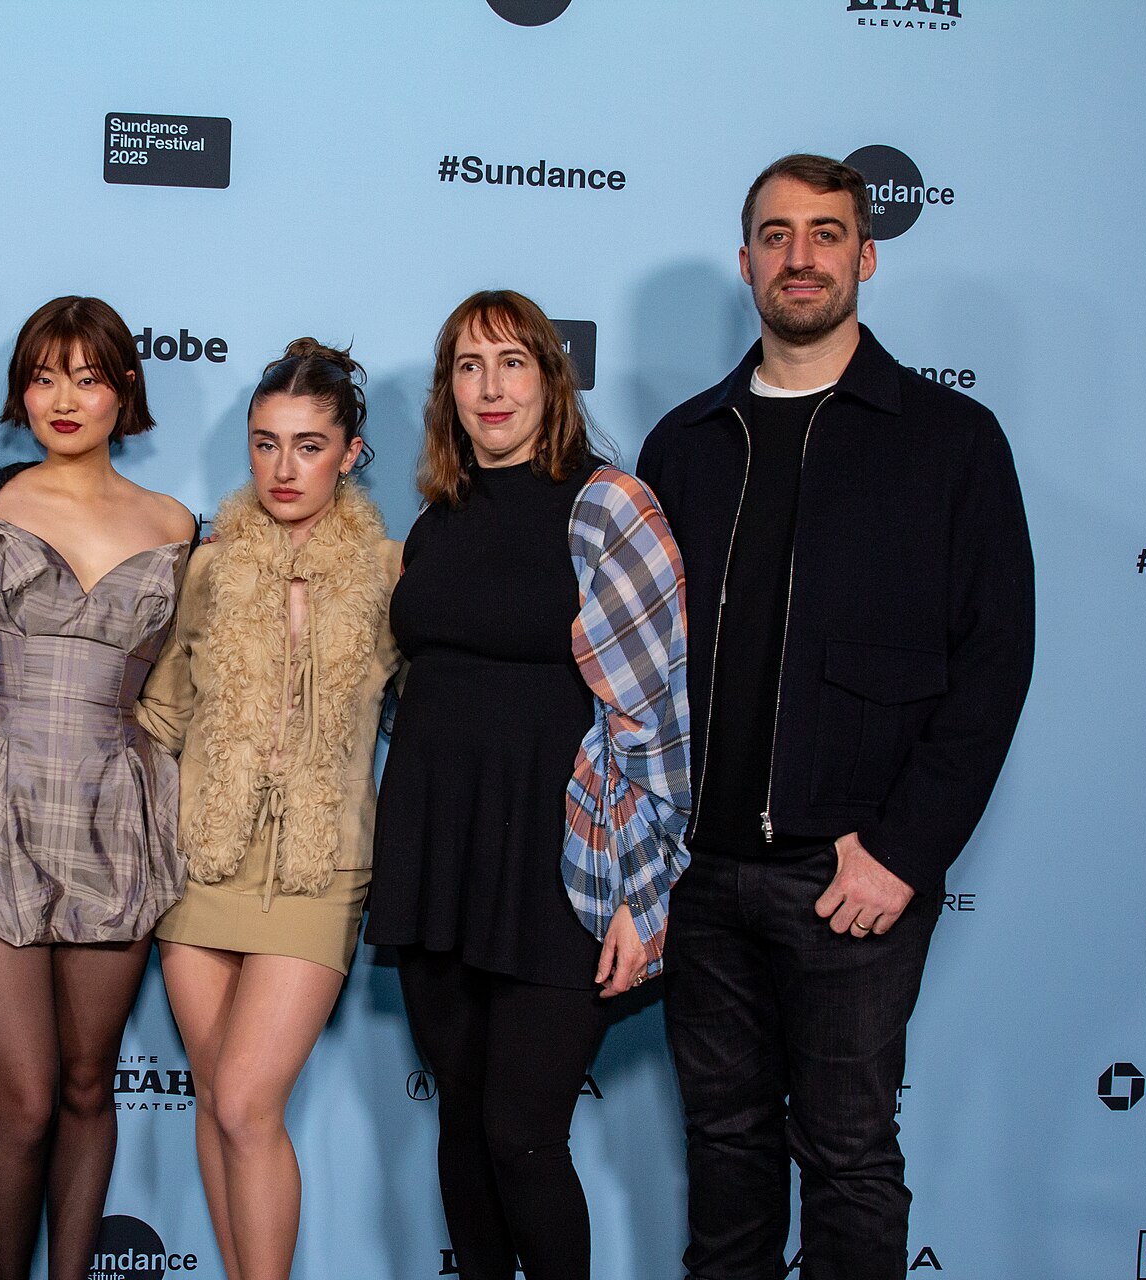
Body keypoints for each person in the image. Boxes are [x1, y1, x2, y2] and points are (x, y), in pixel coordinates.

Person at [637, 153, 1034, 1280]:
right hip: (701, 878)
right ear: (747, 260)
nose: (798, 255)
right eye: (775, 234)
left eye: (824, 233)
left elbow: (996, 662)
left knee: (850, 1154)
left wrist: (903, 850)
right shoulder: (685, 444)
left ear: (864, 257)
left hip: (850, 878)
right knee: (723, 1149)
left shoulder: (951, 441)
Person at [366, 290, 691, 1280]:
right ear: (447, 393)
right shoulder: (436, 517)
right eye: (468, 366)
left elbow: (658, 717)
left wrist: (648, 895)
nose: (490, 386)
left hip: (558, 869)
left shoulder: (608, 505)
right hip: (438, 855)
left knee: (520, 1133)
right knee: (460, 1123)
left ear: (553, 378)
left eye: (512, 361)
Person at [0, 296, 198, 1280]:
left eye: (87, 375)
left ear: (126, 389)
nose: (64, 398)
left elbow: (190, 684)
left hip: (114, 813)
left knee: (88, 1082)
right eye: (44, 376)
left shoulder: (178, 526)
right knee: (26, 1098)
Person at [136, 339, 400, 1280]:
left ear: (352, 451)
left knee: (249, 1102)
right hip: (200, 860)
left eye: (310, 445)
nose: (285, 468)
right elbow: (163, 710)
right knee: (214, 1098)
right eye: (265, 444)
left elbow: (453, 700)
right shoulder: (205, 567)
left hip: (318, 869)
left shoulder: (390, 575)